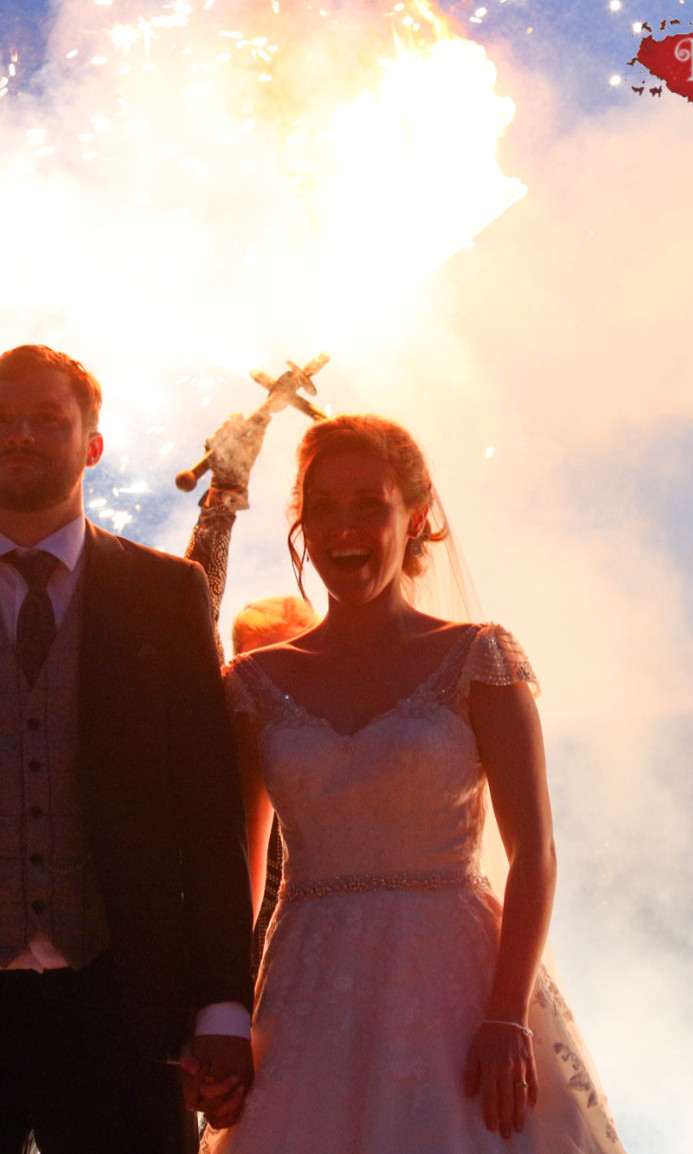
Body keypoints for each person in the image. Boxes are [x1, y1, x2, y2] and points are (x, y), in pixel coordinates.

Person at [0, 345, 255, 1153]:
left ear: (92, 444)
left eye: (46, 419)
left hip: (126, 1006)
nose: (19, 435)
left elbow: (211, 818)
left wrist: (221, 1006)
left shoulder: (166, 595)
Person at [203, 415, 624, 1152]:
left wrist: (507, 1015)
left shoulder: (480, 660)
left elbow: (534, 854)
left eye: (369, 503)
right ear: (302, 523)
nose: (343, 526)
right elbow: (241, 869)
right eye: (323, 506)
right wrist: (225, 1016)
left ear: (416, 516)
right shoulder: (254, 684)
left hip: (458, 986)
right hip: (308, 988)